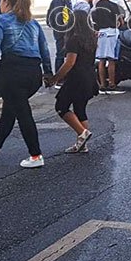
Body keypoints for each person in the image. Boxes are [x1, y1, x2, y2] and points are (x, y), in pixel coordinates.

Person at [0, 0, 53, 168]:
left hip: (12, 73)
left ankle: (36, 155)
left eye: (0, 2)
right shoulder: (33, 23)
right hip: (33, 74)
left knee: (22, 113)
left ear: (6, 2)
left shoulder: (0, 21)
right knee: (11, 108)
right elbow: (44, 49)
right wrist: (48, 73)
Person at [54, 9, 98, 154]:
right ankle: (82, 144)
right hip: (90, 77)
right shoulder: (92, 37)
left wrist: (56, 78)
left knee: (61, 106)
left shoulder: (74, 39)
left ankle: (82, 133)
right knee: (80, 109)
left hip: (76, 79)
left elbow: (70, 63)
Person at [92, 0, 125, 94]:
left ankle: (102, 84)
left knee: (101, 59)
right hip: (111, 32)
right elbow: (120, 21)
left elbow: (94, 18)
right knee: (111, 59)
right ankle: (111, 83)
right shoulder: (113, 6)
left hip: (101, 32)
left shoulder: (97, 5)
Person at [48, 0, 75, 77]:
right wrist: (63, 31)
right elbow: (58, 17)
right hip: (62, 32)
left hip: (66, 30)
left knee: (65, 54)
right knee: (60, 53)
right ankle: (58, 77)